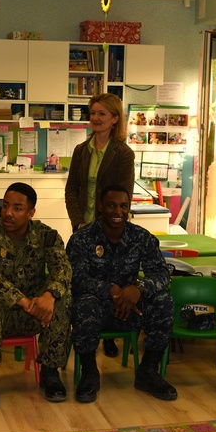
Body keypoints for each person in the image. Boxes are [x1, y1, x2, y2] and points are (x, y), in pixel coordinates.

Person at [66, 185, 176, 403]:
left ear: (128, 209)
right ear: (100, 207)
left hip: (131, 308)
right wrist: (110, 290)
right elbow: (75, 278)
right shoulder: (82, 238)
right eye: (111, 205)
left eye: (123, 206)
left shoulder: (141, 237)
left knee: (163, 301)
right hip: (98, 308)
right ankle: (90, 373)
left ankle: (148, 371)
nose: (118, 212)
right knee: (84, 304)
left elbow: (162, 274)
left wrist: (138, 289)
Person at [0, 183, 72, 406]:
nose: (8, 213)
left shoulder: (46, 236)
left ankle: (50, 371)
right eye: (5, 206)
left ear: (30, 213)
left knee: (63, 299)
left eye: (17, 208)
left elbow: (63, 269)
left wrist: (50, 296)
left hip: (34, 314)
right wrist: (22, 300)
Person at [63, 93, 135, 360]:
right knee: (86, 281)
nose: (95, 118)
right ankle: (86, 328)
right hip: (83, 227)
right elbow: (72, 189)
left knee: (112, 279)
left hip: (111, 227)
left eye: (102, 113)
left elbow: (123, 194)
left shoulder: (123, 154)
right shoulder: (82, 150)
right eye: (93, 112)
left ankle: (112, 332)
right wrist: (78, 222)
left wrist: (107, 224)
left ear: (115, 119)